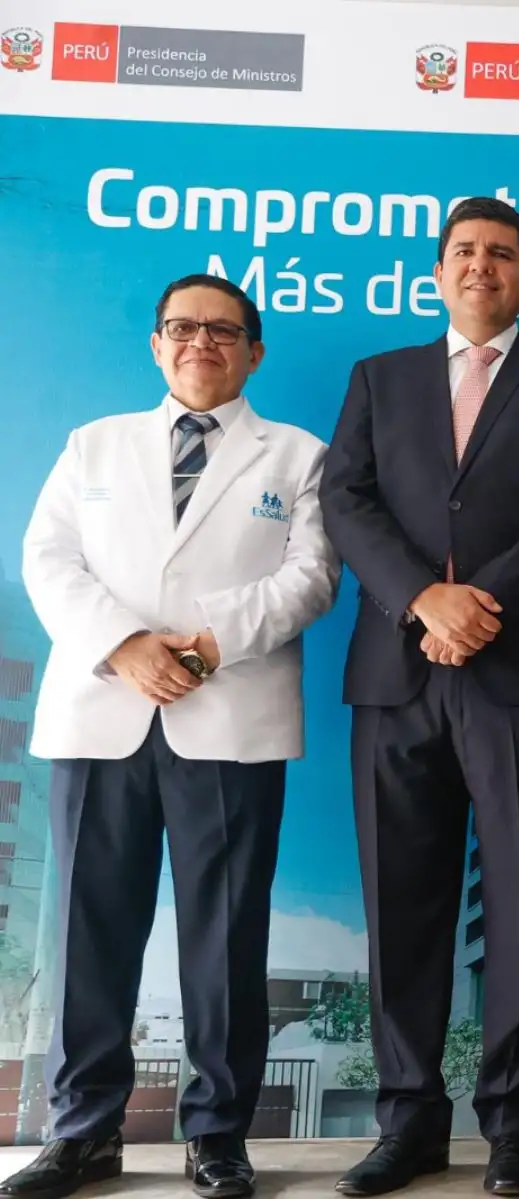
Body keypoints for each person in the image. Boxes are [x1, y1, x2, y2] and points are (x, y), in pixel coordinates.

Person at [6, 275, 340, 1199]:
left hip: (230, 714)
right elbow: (47, 558)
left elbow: (313, 577)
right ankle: (82, 1131)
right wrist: (123, 644)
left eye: (224, 331)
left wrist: (207, 642)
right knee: (87, 934)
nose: (203, 342)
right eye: (184, 328)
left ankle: (219, 1138)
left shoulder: (299, 457)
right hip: (103, 709)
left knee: (227, 940)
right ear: (158, 344)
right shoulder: (93, 444)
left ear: (254, 350)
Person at [321, 197, 519, 1197]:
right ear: (438, 271)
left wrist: (482, 602)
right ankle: (407, 1118)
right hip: (396, 675)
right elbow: (346, 500)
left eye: (501, 254)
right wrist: (424, 597)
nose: (481, 266)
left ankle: (516, 1125)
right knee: (400, 907)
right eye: (464, 252)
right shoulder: (381, 378)